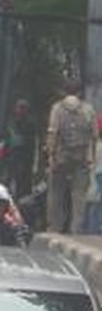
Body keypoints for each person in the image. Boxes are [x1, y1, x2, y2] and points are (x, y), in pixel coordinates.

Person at [46, 78, 97, 234]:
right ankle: (76, 229)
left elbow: (53, 133)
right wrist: (91, 158)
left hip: (60, 158)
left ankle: (55, 227)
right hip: (81, 158)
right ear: (80, 92)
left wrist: (51, 156)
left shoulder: (57, 108)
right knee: (79, 195)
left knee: (56, 193)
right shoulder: (88, 109)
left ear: (63, 91)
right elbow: (94, 136)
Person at [6, 98, 36, 201]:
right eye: (18, 107)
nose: (19, 110)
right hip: (11, 157)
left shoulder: (30, 125)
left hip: (23, 160)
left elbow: (30, 145)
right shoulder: (11, 122)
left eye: (22, 108)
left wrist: (26, 162)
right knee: (9, 181)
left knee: (21, 186)